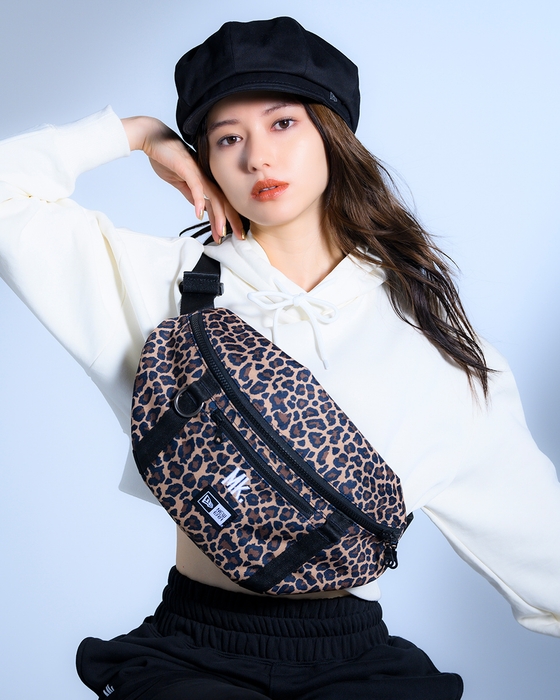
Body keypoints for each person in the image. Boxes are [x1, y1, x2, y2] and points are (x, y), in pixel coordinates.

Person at [0, 15, 559, 700]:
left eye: (283, 124)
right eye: (227, 138)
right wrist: (138, 133)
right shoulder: (162, 287)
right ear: (204, 160)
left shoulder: (429, 342)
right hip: (192, 654)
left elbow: (539, 545)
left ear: (331, 132)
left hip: (354, 659)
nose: (258, 158)